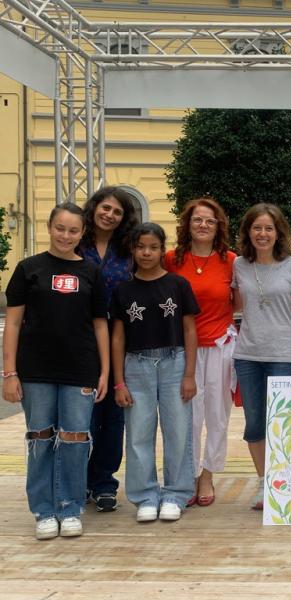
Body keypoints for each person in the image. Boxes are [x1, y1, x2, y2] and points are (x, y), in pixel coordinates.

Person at [2, 202, 109, 539]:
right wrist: (9, 373)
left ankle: (70, 507)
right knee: (41, 438)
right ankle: (44, 511)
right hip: (35, 370)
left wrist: (105, 372)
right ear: (49, 227)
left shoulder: (92, 272)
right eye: (60, 228)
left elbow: (101, 325)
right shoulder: (28, 269)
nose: (66, 235)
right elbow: (13, 323)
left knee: (75, 439)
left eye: (73, 230)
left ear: (82, 233)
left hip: (81, 368)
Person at [111, 223, 199, 523]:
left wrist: (189, 374)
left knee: (178, 431)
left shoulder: (178, 285)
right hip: (136, 366)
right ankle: (145, 495)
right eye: (140, 247)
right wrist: (119, 382)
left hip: (174, 362)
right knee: (138, 433)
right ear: (132, 250)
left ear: (163, 250)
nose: (146, 253)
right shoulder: (123, 290)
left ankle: (176, 493)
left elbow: (190, 330)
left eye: (153, 247)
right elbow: (118, 338)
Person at [232, 203, 291, 510]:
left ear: (278, 233)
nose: (262, 234)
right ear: (248, 232)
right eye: (257, 228)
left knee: (283, 423)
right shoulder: (238, 265)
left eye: (268, 228)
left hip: (284, 354)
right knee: (254, 423)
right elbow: (234, 304)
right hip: (247, 354)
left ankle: (285, 480)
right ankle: (266, 483)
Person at [166, 198, 236, 507]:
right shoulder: (171, 259)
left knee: (217, 416)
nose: (203, 225)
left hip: (220, 346)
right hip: (183, 349)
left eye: (210, 220)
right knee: (187, 417)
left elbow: (240, 300)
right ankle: (188, 474)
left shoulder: (230, 260)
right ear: (187, 224)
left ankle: (207, 474)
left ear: (218, 226)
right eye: (197, 220)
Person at [80, 186, 139, 512]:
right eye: (105, 208)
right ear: (94, 208)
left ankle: (103, 482)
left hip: (121, 340)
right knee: (83, 417)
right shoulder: (77, 242)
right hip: (80, 341)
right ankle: (78, 481)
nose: (110, 215)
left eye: (117, 211)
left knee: (114, 419)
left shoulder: (128, 250)